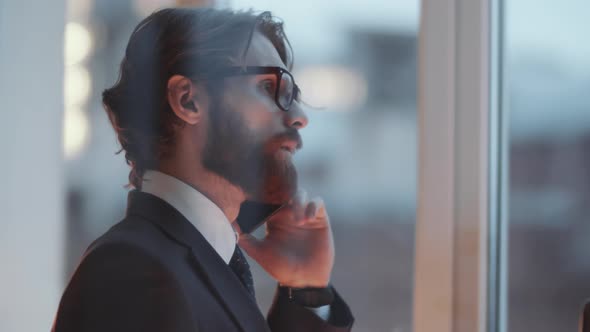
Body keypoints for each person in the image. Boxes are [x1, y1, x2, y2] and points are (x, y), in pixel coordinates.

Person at [52, 7, 354, 332]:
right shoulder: (132, 270)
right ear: (188, 100)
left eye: (293, 95)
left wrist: (307, 288)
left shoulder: (185, 261)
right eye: (269, 88)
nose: (299, 116)